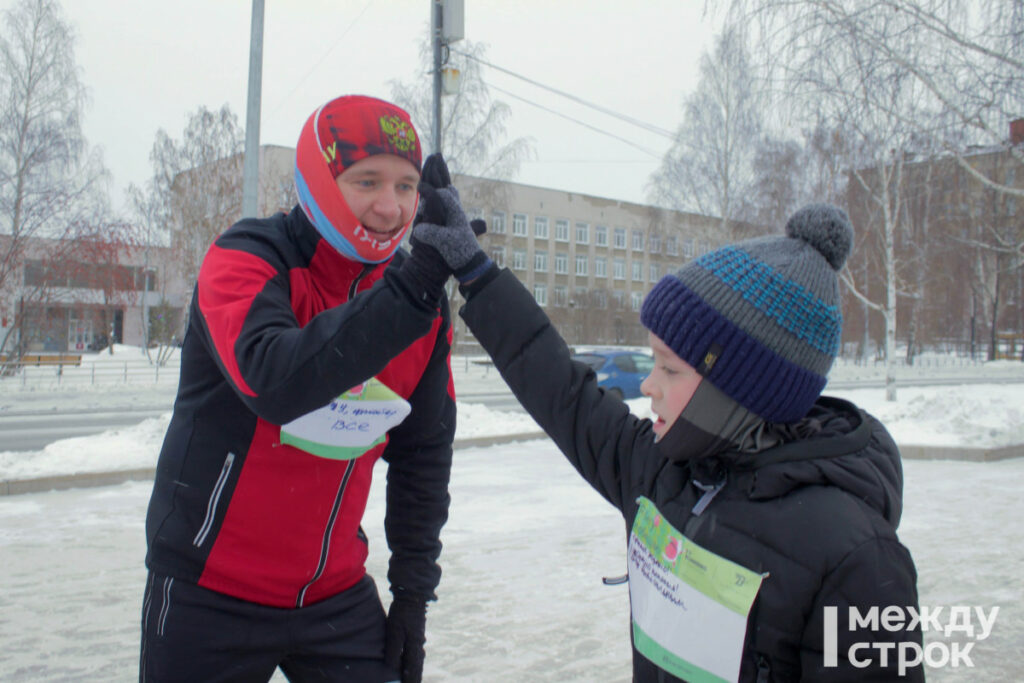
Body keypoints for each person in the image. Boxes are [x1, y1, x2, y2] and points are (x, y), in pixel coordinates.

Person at [411, 160, 923, 681]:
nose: (649, 385)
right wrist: (476, 272)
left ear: (740, 391)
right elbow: (562, 391)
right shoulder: (663, 470)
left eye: (670, 369)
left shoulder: (860, 560)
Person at [141, 95, 472, 682]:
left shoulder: (420, 305)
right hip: (209, 592)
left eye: (406, 185)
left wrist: (413, 597)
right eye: (366, 181)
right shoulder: (245, 259)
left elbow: (423, 456)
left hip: (334, 596)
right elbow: (276, 381)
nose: (390, 207)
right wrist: (412, 290)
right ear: (319, 180)